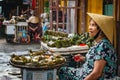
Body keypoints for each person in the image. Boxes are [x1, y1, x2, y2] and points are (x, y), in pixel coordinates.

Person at [58, 13, 117, 80]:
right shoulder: (99, 43)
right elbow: (96, 61)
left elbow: (97, 73)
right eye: (90, 24)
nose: (89, 28)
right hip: (85, 72)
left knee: (62, 71)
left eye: (93, 25)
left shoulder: (103, 46)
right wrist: (83, 58)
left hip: (93, 77)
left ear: (101, 30)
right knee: (65, 68)